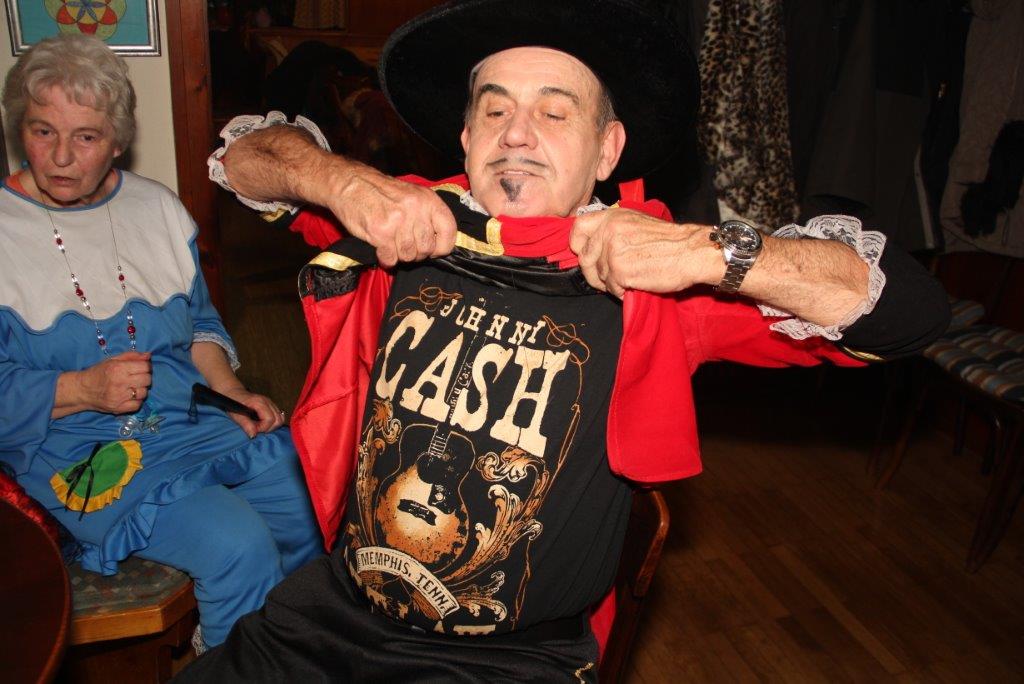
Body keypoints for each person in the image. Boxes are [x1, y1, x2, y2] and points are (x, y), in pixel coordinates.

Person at [185, 0, 950, 680]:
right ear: (465, 135)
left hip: (506, 660)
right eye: (494, 110)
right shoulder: (403, 220)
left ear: (607, 149)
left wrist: (709, 250)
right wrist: (341, 182)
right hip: (329, 616)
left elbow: (909, 312)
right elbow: (242, 158)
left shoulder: (662, 277)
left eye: (555, 113)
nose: (516, 133)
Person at [0, 34, 321, 651]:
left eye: (85, 137)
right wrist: (80, 389)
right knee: (238, 545)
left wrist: (230, 390)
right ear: (21, 129)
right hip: (79, 448)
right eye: (43, 132)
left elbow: (198, 324)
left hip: (185, 417)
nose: (61, 156)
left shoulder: (157, 208)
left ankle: (284, 648)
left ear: (117, 141)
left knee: (303, 491)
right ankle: (233, 661)